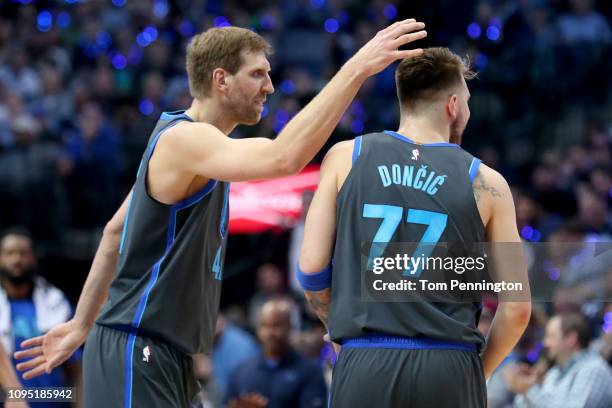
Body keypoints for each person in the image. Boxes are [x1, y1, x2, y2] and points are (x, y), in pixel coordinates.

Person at [14, 22, 427, 407]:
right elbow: (284, 157)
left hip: (166, 354)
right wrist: (357, 69)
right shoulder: (184, 141)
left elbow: (114, 231)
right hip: (134, 343)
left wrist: (81, 324)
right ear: (220, 79)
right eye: (258, 74)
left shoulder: (200, 149)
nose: (269, 86)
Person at [297, 47, 532, 407]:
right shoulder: (488, 182)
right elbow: (517, 309)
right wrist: (474, 373)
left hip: (365, 359)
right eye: (466, 102)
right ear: (453, 105)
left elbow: (311, 268)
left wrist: (338, 326)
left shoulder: (345, 157)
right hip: (450, 364)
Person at [0, 229, 80, 408]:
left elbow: (74, 367)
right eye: (10, 253)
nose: (17, 259)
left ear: (34, 258)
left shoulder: (56, 302)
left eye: (22, 253)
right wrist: (15, 395)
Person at [226, 299, 327, 408]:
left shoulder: (310, 372)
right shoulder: (240, 373)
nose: (270, 333)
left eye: (276, 325)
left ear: (290, 327)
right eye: (264, 326)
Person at [506, 312, 612, 407]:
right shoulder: (555, 372)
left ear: (571, 338)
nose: (545, 343)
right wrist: (527, 385)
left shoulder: (594, 369)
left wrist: (529, 389)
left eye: (551, 336)